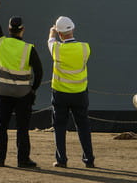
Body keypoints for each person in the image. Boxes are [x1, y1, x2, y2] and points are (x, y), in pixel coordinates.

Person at [0, 0, 42, 168]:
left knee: (1, 126)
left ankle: (0, 159)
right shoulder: (28, 49)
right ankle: (23, 160)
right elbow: (39, 71)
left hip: (3, 93)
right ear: (22, 30)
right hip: (22, 94)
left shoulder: (1, 43)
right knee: (22, 128)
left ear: (10, 29)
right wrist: (33, 89)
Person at [47, 16, 95, 168]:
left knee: (60, 127)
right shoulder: (85, 48)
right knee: (83, 126)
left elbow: (50, 41)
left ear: (60, 33)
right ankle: (89, 159)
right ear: (73, 29)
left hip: (60, 93)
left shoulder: (57, 49)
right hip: (80, 93)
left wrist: (52, 33)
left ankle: (62, 160)